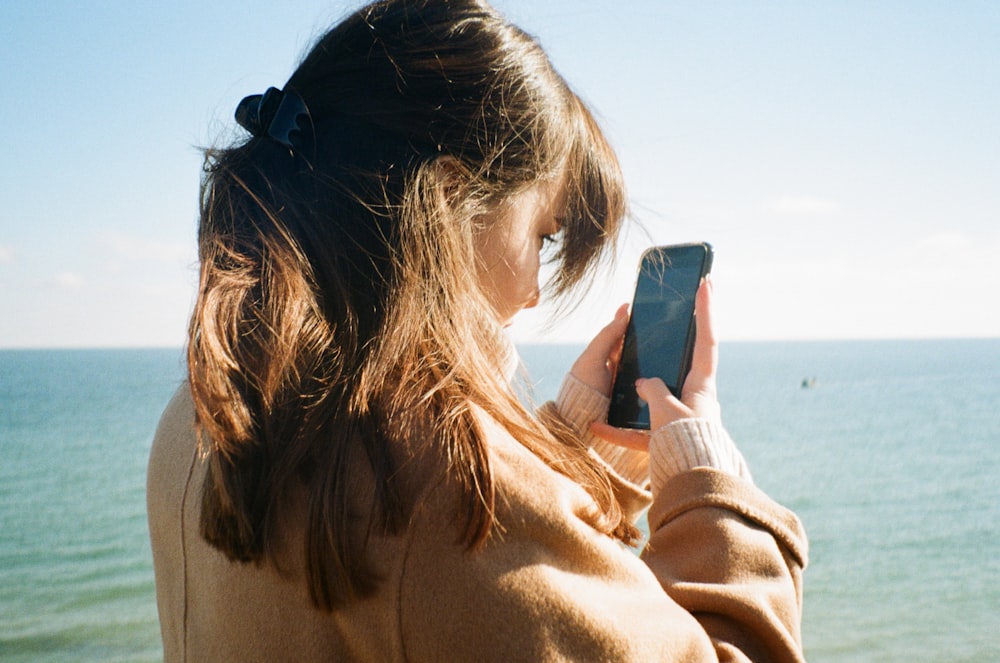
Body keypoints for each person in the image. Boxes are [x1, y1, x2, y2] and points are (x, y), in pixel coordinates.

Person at [147, 0, 808, 660]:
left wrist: (563, 453)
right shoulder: (446, 499)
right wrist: (713, 495)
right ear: (448, 202)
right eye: (543, 236)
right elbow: (457, 559)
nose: (534, 290)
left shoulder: (202, 414)